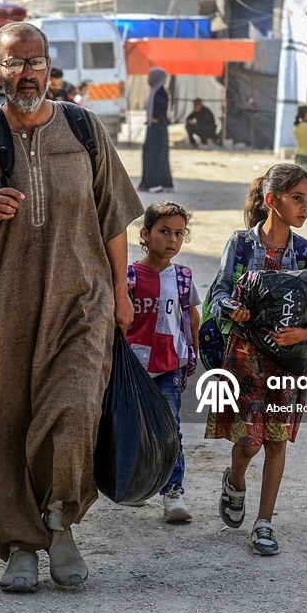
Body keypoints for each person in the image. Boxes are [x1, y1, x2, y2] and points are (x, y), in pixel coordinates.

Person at [0, 21, 143, 592]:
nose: (28, 74)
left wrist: (121, 292)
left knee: (73, 411)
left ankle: (61, 521)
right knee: (9, 421)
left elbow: (113, 216)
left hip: (82, 299)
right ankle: (21, 544)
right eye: (15, 64)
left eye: (37, 62)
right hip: (5, 305)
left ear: (49, 67)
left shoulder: (83, 126)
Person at [205, 163, 307, 555]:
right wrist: (232, 308)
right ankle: (236, 482)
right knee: (248, 442)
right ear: (271, 200)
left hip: (288, 362)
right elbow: (219, 291)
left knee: (276, 442)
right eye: (297, 198)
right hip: (246, 358)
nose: (305, 207)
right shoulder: (241, 245)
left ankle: (264, 523)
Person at [124, 201, 201, 523]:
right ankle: (139, 486)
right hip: (133, 369)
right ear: (146, 233)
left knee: (170, 431)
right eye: (164, 231)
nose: (172, 239)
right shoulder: (128, 276)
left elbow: (192, 316)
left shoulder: (182, 278)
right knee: (133, 430)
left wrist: (195, 353)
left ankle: (173, 493)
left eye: (179, 233)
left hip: (168, 366)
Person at [140, 67, 173, 193]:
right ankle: (148, 182)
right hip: (153, 128)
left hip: (158, 130)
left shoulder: (160, 93)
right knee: (150, 154)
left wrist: (155, 118)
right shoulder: (155, 91)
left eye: (150, 77)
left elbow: (161, 110)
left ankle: (155, 183)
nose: (148, 79)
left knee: (156, 155)